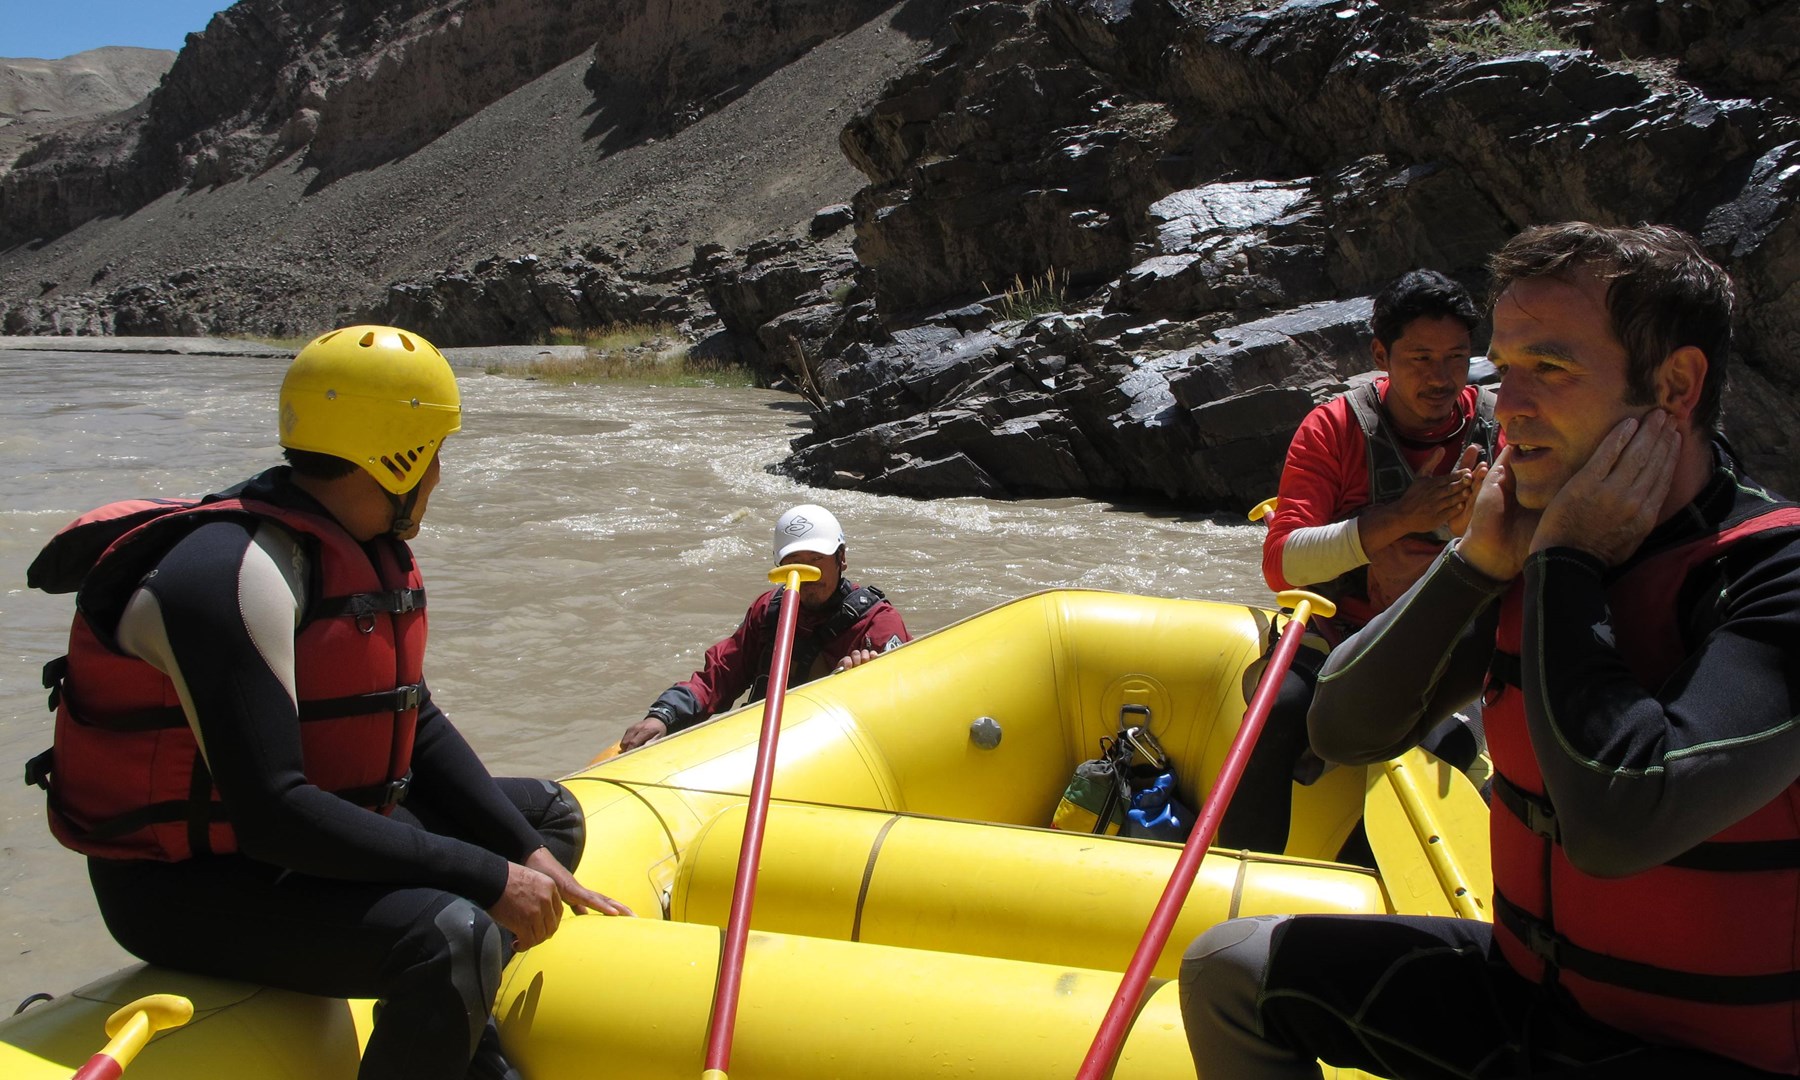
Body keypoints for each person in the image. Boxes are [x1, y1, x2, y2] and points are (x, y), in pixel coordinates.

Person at [1181, 223, 1800, 1078]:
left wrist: (1566, 564)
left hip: (1704, 1052)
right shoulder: (1514, 531)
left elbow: (1622, 823)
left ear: (1676, 386)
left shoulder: (1775, 572)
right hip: (1533, 999)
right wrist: (1473, 565)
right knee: (1231, 972)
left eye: (1548, 369)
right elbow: (1345, 729)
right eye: (1504, 371)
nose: (1506, 406)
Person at [24, 325, 631, 1080]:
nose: (440, 475)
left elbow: (417, 719)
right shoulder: (226, 576)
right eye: (435, 451)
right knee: (451, 932)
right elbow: (275, 813)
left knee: (546, 819)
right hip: (187, 885)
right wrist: (486, 878)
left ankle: (449, 1015)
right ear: (397, 453)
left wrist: (526, 854)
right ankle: (454, 1009)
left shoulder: (354, 542)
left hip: (314, 841)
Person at [1221, 270, 1497, 853]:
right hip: (1339, 635)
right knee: (1273, 713)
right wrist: (1399, 518)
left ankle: (1366, 898)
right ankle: (1241, 880)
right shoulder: (1335, 428)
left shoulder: (1501, 429)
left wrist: (1470, 538)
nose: (1441, 377)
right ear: (1381, 354)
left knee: (1446, 750)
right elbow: (1281, 565)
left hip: (1454, 649)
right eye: (1420, 357)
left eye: (1455, 357)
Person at [619, 504, 909, 751]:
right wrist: (664, 714)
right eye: (793, 563)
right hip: (761, 742)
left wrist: (868, 680)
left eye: (816, 560)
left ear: (841, 559)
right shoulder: (770, 610)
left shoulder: (877, 621)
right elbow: (719, 677)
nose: (806, 575)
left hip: (831, 748)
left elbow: (904, 704)